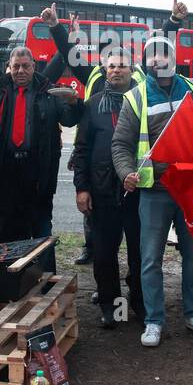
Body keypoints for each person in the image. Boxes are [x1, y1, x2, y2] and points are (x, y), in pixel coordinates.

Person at [112, 33, 193, 348]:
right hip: (155, 190)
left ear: (174, 59)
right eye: (152, 56)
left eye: (164, 55)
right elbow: (121, 144)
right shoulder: (135, 97)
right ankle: (154, 320)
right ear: (145, 62)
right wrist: (125, 172)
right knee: (150, 259)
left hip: (191, 188)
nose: (158, 60)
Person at [0, 6, 82, 269]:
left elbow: (70, 119)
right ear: (9, 67)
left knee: (40, 231)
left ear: (34, 66)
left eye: (26, 66)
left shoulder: (49, 91)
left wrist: (74, 103)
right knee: (3, 233)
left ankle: (46, 281)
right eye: (16, 66)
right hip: (2, 174)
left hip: (37, 176)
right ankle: (4, 276)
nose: (21, 71)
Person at [72, 48, 144, 328]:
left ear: (131, 70)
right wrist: (82, 188)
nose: (116, 70)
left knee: (139, 252)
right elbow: (81, 149)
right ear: (104, 70)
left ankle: (138, 303)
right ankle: (112, 307)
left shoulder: (143, 102)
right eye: (111, 66)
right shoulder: (92, 106)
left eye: (122, 66)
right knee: (103, 254)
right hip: (102, 192)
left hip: (137, 191)